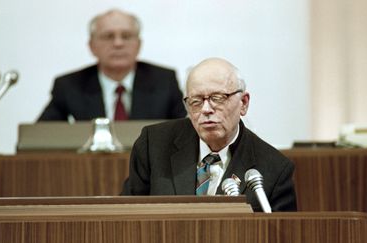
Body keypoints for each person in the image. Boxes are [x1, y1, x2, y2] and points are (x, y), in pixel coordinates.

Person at [121, 57, 297, 212]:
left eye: (218, 98)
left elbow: (281, 233)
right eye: (196, 101)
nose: (206, 109)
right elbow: (125, 216)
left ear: (243, 103)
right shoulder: (153, 145)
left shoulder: (274, 169)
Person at [38, 9, 186, 121]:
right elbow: (39, 138)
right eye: (108, 36)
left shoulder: (164, 81)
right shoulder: (69, 86)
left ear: (138, 45)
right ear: (91, 46)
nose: (118, 43)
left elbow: (186, 134)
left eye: (126, 36)